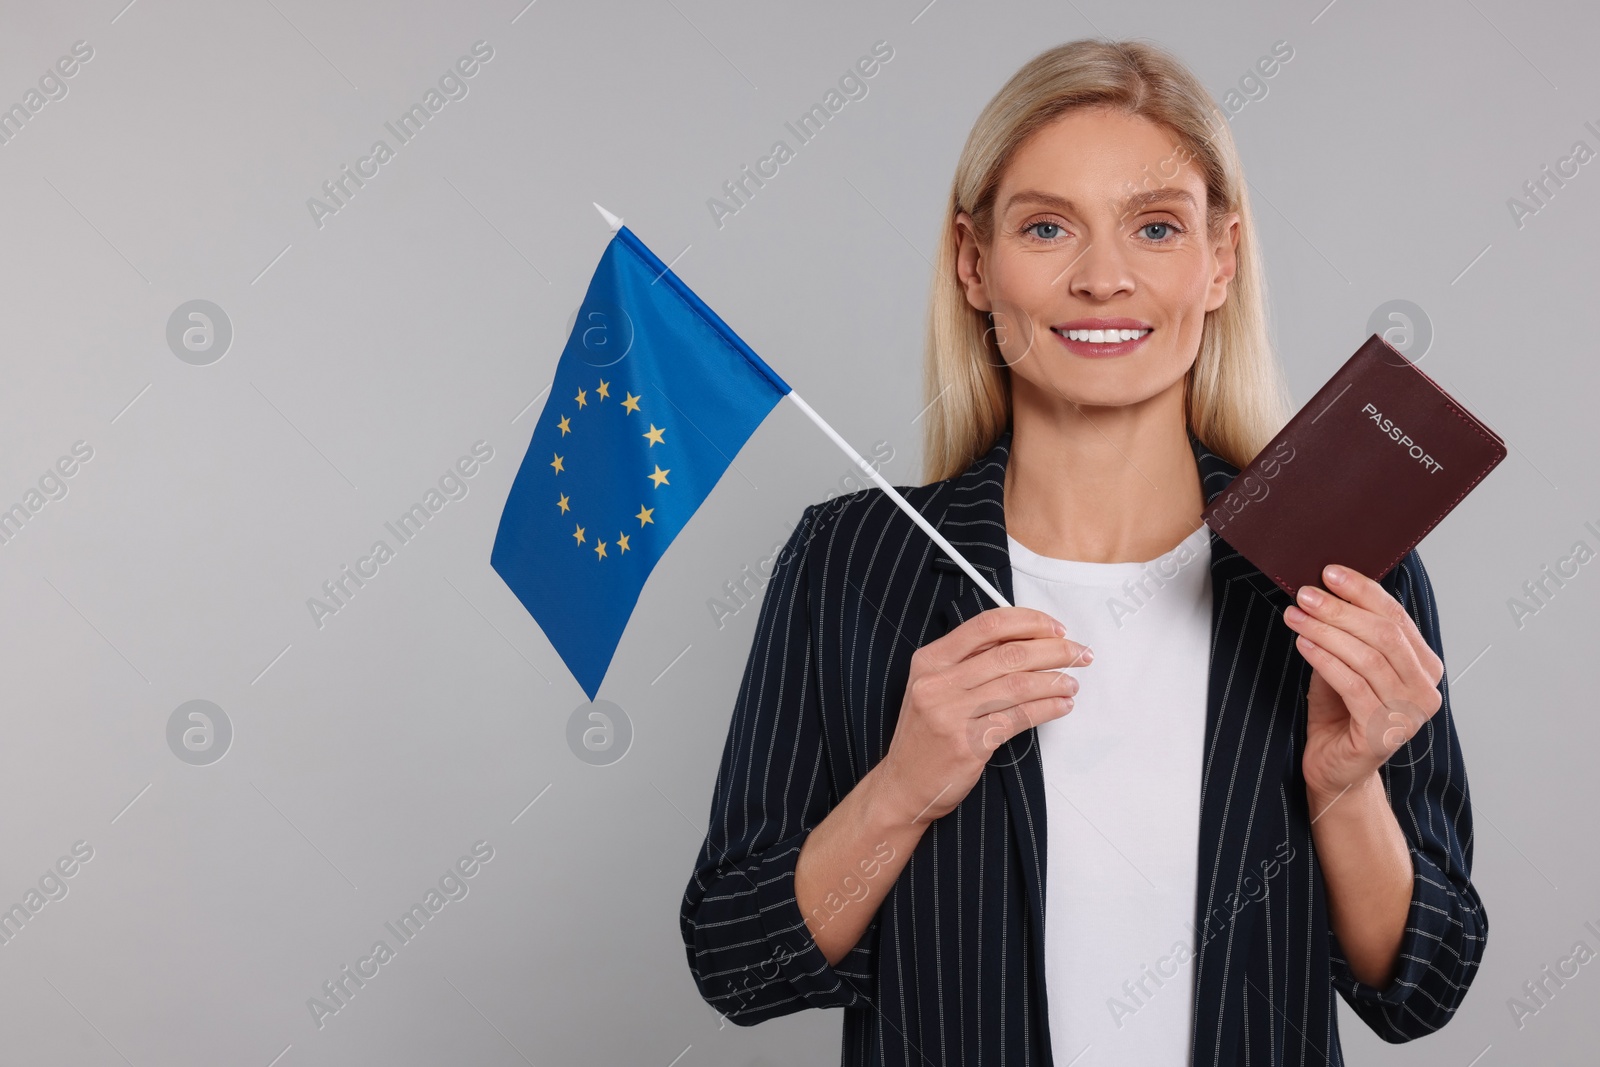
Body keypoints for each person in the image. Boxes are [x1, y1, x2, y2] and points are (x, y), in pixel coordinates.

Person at [679, 37, 1486, 1066]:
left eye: (1155, 227)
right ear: (974, 262)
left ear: (1220, 260)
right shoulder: (851, 559)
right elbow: (738, 963)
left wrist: (1340, 783)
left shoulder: (1341, 568)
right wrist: (902, 787)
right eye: (1048, 226)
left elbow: (1421, 984)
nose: (1102, 278)